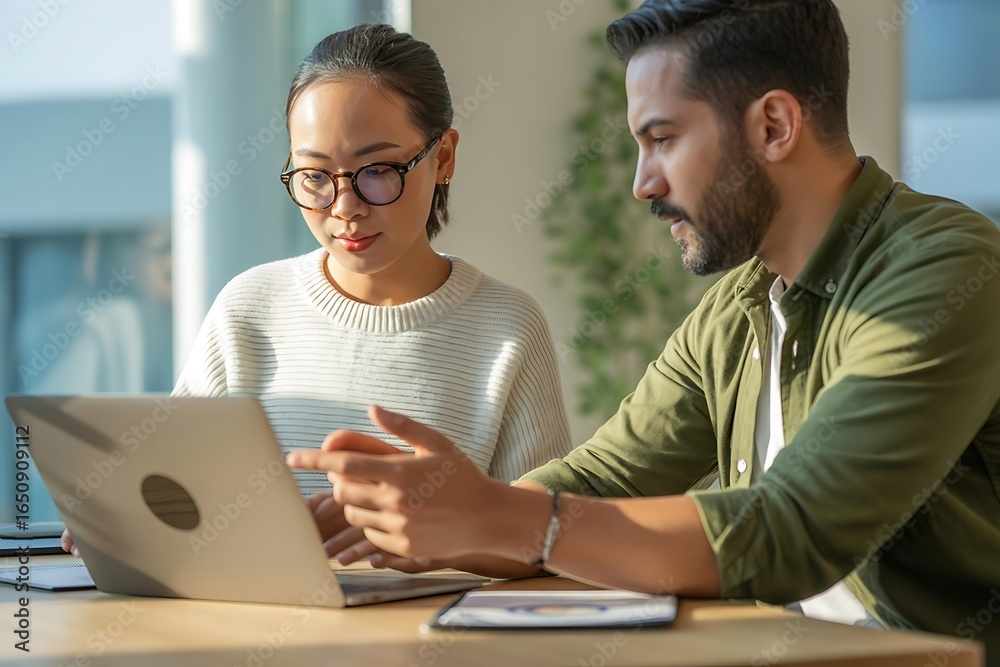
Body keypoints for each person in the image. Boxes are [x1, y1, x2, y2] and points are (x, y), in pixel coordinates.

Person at [287, 0, 1000, 655]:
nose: (642, 183)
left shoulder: (946, 269)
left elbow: (794, 529)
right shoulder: (737, 309)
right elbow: (602, 479)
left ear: (774, 126)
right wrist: (429, 526)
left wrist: (501, 519)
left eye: (662, 139)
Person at [62, 24, 572, 559]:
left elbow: (546, 545)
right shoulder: (248, 308)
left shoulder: (508, 327)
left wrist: (436, 542)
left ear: (442, 157)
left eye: (377, 171)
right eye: (314, 175)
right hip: (250, 631)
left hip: (424, 637)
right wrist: (121, 517)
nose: (344, 206)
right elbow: (174, 495)